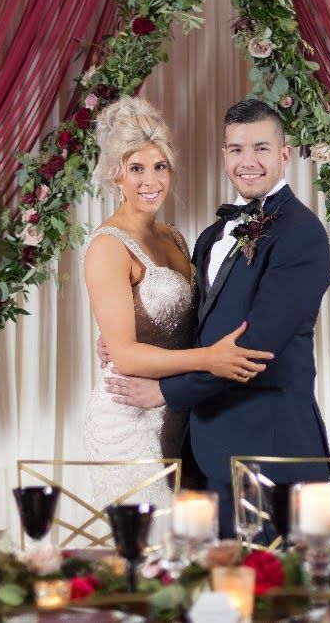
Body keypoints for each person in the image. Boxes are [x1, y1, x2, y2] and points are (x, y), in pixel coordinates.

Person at [104, 99, 330, 537]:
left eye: (261, 149)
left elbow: (253, 350)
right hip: (204, 448)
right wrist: (135, 335)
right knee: (213, 590)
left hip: (268, 451)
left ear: (285, 155)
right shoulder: (212, 236)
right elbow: (196, 328)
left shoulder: (301, 234)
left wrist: (165, 392)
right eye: (235, 149)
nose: (247, 162)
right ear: (223, 155)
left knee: (267, 593)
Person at [82, 97, 274, 508]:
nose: (150, 180)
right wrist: (208, 359)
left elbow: (185, 321)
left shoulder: (174, 237)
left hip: (179, 411)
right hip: (129, 416)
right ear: (117, 174)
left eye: (160, 167)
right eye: (137, 168)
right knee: (151, 549)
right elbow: (128, 357)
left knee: (188, 544)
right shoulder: (107, 247)